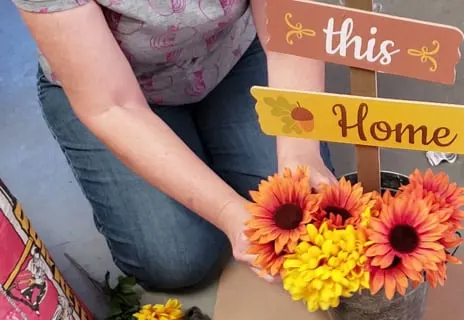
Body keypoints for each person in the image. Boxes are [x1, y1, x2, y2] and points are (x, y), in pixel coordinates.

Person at [12, 0, 337, 290]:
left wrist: (299, 150)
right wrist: (227, 211)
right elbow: (113, 105)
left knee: (306, 207)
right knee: (175, 257)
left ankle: (203, 143)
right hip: (111, 86)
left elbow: (291, 21)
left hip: (228, 53)